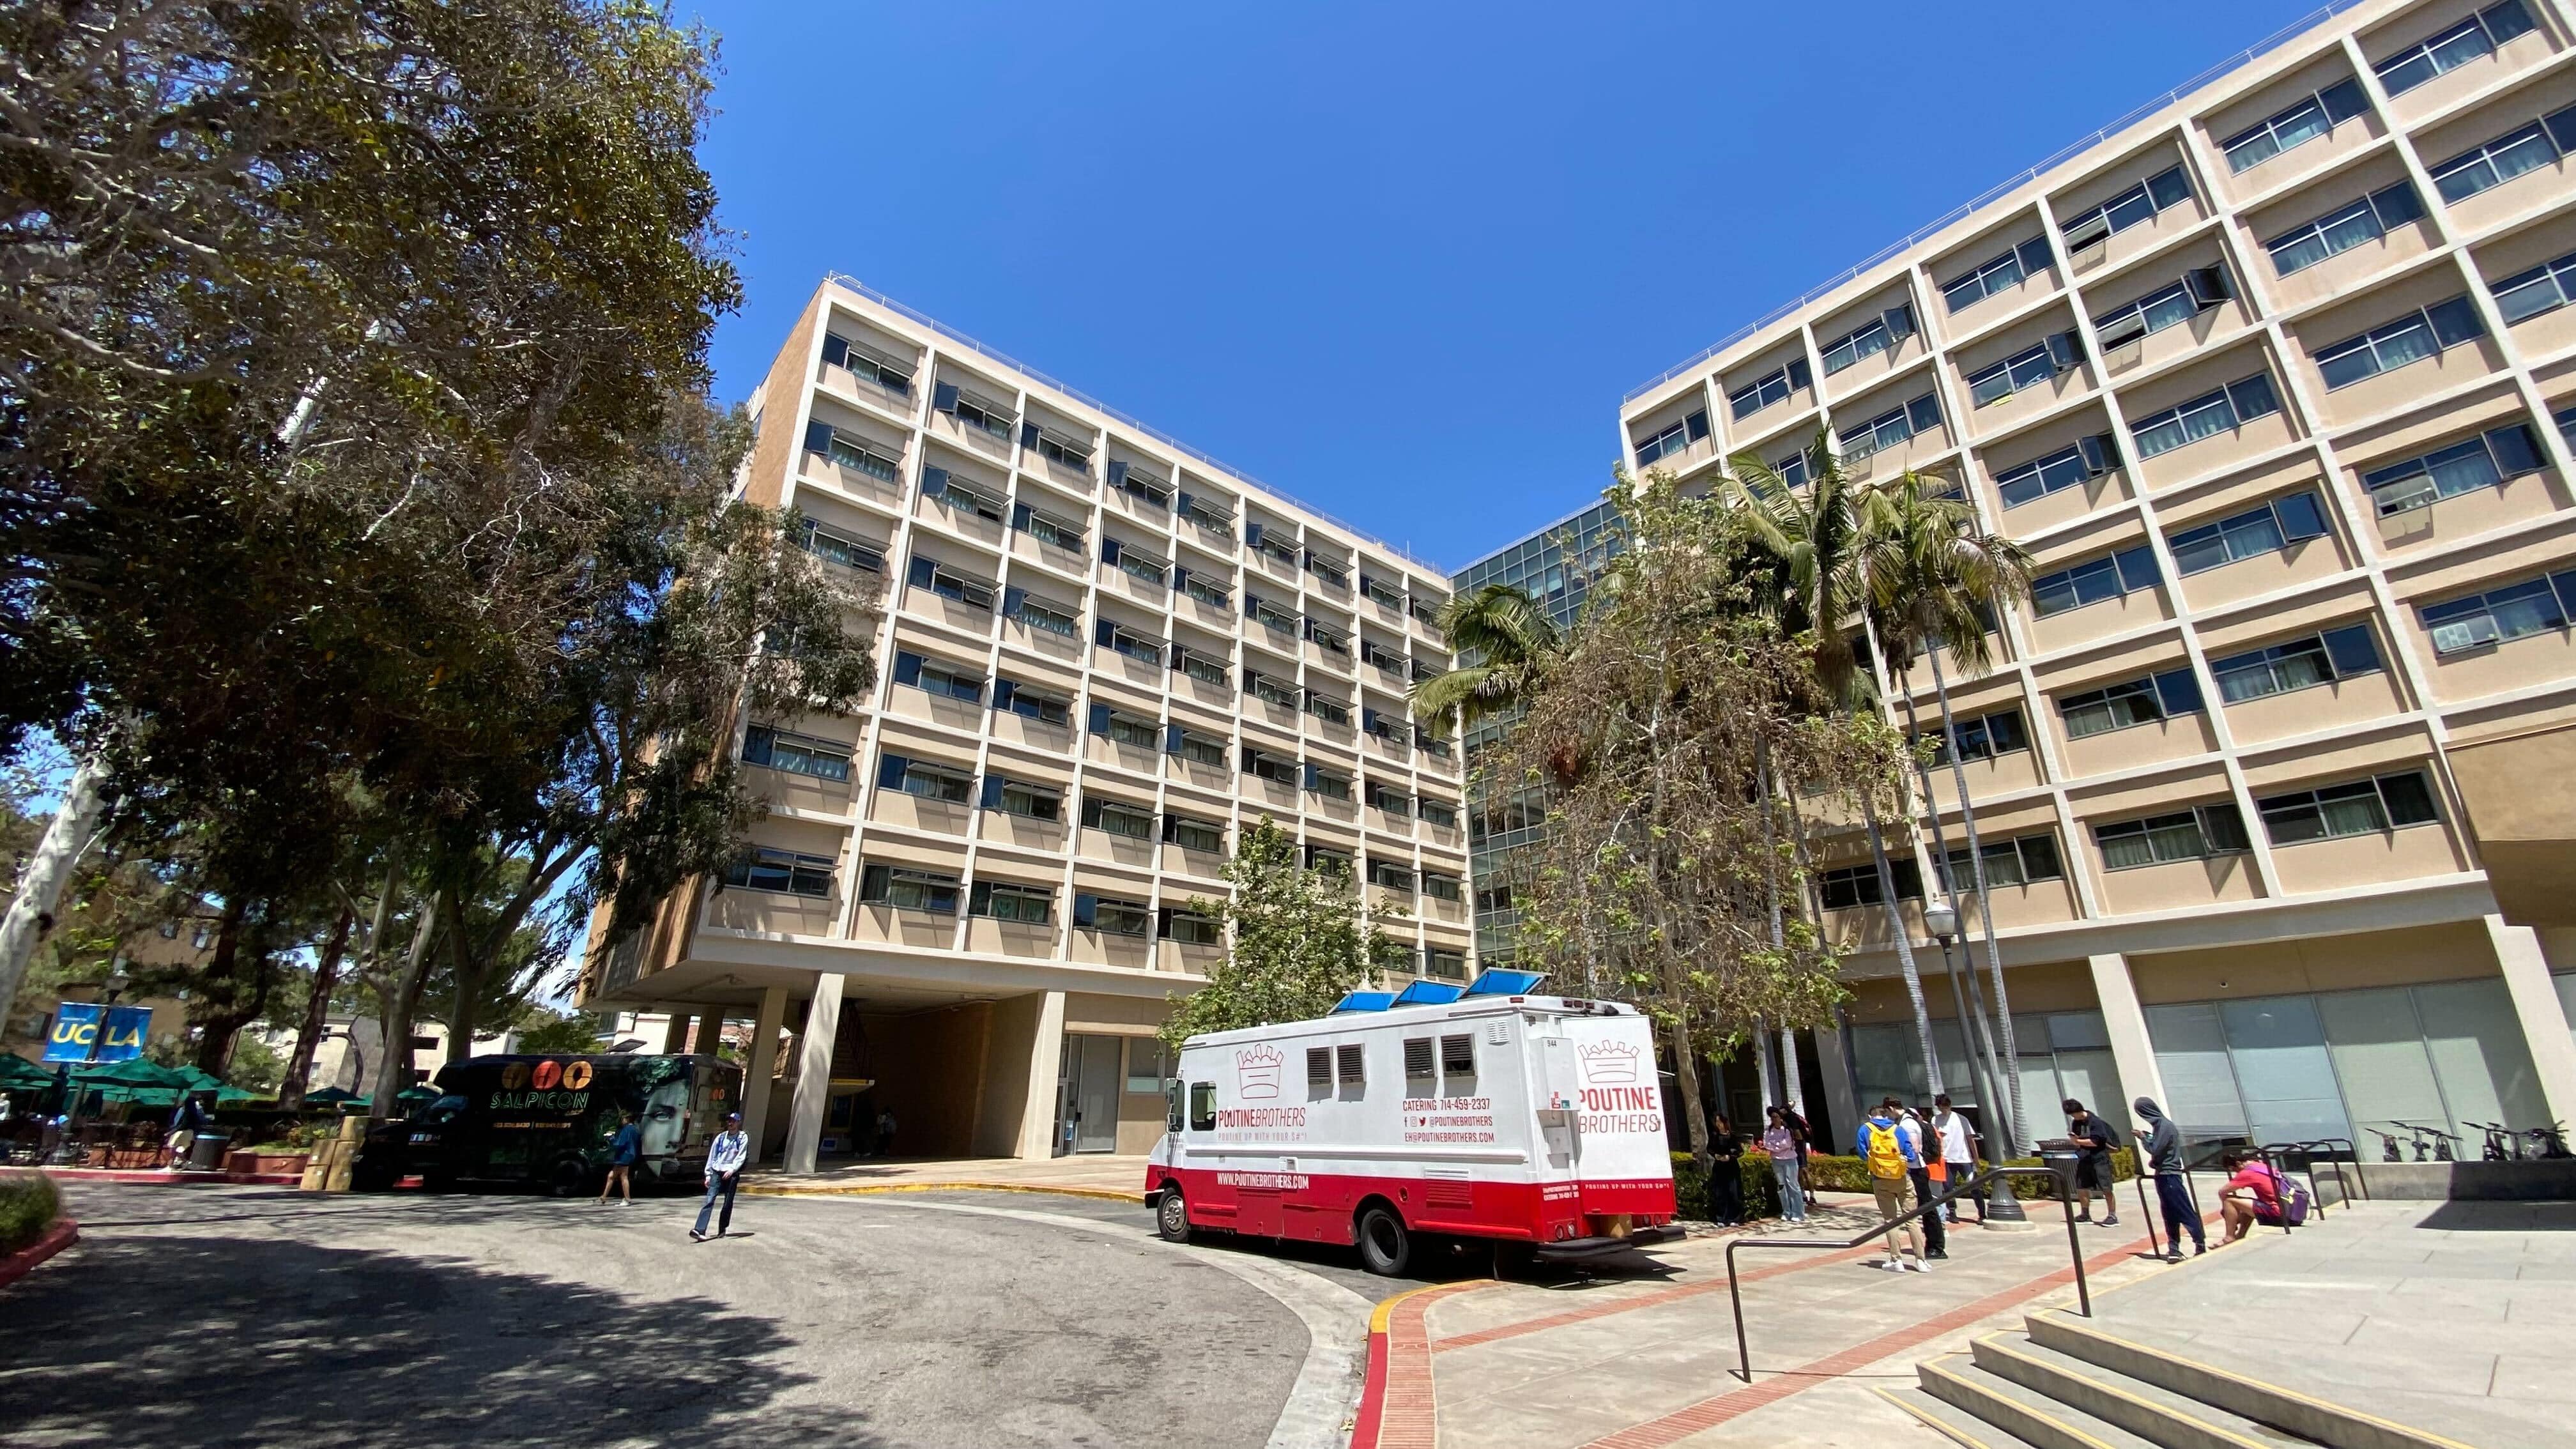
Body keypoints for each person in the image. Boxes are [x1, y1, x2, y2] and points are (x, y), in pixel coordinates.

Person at [1855, 1098, 1930, 1271]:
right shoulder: (1898, 1129)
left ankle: (1896, 1260)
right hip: (1902, 1178)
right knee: (1911, 1219)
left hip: (1880, 1179)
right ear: (1885, 1114)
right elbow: (1910, 1155)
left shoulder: (1865, 1129)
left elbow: (1861, 1153)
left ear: (1870, 1116)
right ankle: (1921, 1260)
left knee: (1890, 1220)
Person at [2131, 1097, 2204, 1260]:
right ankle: (2174, 1249)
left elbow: (2156, 1148)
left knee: (2182, 1210)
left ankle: (2199, 1244)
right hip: (2163, 1175)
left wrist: (2143, 1138)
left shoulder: (2164, 1126)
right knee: (2169, 1213)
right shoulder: (2159, 1127)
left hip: (2170, 1176)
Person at [691, 1112, 750, 1242]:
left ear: (738, 1122)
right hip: (717, 1171)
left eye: (733, 1121)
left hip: (731, 1173)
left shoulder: (742, 1137)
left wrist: (732, 1169)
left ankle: (722, 1228)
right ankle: (700, 1229)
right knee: (709, 1199)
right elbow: (713, 1156)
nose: (730, 1123)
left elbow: (741, 1156)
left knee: (727, 1202)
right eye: (729, 1121)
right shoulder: (721, 1137)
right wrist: (708, 1174)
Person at [2062, 1099, 2119, 1226]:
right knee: (2081, 1187)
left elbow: (2095, 1142)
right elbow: (2077, 1138)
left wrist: (2078, 1142)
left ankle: (2112, 1215)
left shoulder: (2095, 1122)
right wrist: (2075, 1141)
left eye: (2073, 1114)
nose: (2073, 1117)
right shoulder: (2076, 1123)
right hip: (2084, 1158)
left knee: (2106, 1188)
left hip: (2099, 1158)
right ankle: (2085, 1213)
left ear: (2079, 1111)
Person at [1901, 1104, 1947, 1260]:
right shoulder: (1927, 1126)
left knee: (1929, 1207)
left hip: (1920, 1169)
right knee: (1929, 1207)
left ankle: (1936, 1246)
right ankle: (1935, 1244)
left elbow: (1914, 1151)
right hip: (1927, 1168)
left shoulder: (1909, 1126)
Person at [1931, 1094, 1981, 1225]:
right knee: (1948, 1187)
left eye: (1946, 1107)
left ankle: (1982, 1213)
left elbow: (1970, 1139)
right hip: (1947, 1159)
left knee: (1974, 1186)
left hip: (1964, 1158)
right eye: (1941, 1108)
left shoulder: (1961, 1119)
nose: (1944, 1110)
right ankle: (1952, 1212)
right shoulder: (1935, 1120)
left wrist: (1976, 1158)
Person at [2216, 1149, 2283, 1243]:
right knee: (2246, 1207)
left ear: (2239, 1163)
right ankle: (2240, 1235)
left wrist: (2226, 1214)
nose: (2235, 1173)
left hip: (2280, 1215)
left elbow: (2222, 1192)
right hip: (2290, 1211)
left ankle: (2229, 1237)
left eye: (2233, 1169)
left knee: (2229, 1201)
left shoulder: (2247, 1173)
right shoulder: (2261, 1166)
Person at [1761, 1107, 1805, 1222]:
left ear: (1781, 1118)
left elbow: (1787, 1144)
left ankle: (1798, 1212)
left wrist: (1776, 1146)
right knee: (1782, 1186)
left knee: (1793, 1185)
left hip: (1790, 1160)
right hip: (1777, 1161)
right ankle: (1786, 1211)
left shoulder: (1786, 1130)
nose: (1774, 1119)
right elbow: (1767, 1144)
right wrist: (1777, 1147)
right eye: (1772, 1117)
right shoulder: (1768, 1131)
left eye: (1776, 1117)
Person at [1706, 1112, 1744, 1225]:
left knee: (1733, 1192)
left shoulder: (1732, 1136)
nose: (1719, 1125)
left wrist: (1730, 1156)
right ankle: (1721, 1218)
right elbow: (1710, 1149)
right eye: (1717, 1123)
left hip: (1731, 1167)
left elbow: (1739, 1151)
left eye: (1720, 1122)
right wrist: (1716, 1155)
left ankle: (1734, 1218)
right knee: (1720, 1193)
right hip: (1719, 1167)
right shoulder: (1714, 1136)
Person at [598, 1111, 643, 1204]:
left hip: (623, 1155)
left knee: (623, 1177)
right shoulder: (635, 1129)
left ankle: (627, 1199)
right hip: (629, 1155)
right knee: (611, 1176)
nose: (621, 1121)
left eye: (622, 1119)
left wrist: (611, 1138)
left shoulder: (626, 1130)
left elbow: (620, 1143)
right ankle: (603, 1197)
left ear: (626, 1120)